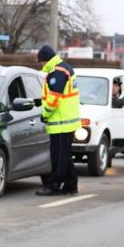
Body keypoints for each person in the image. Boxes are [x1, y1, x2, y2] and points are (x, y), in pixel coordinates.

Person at [34, 45, 79, 196]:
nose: (40, 65)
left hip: (61, 122)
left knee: (58, 157)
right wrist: (40, 102)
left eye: (40, 62)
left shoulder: (57, 72)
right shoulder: (63, 68)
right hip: (66, 121)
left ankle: (53, 186)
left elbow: (54, 99)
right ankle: (71, 185)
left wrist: (45, 114)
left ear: (44, 60)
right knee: (64, 156)